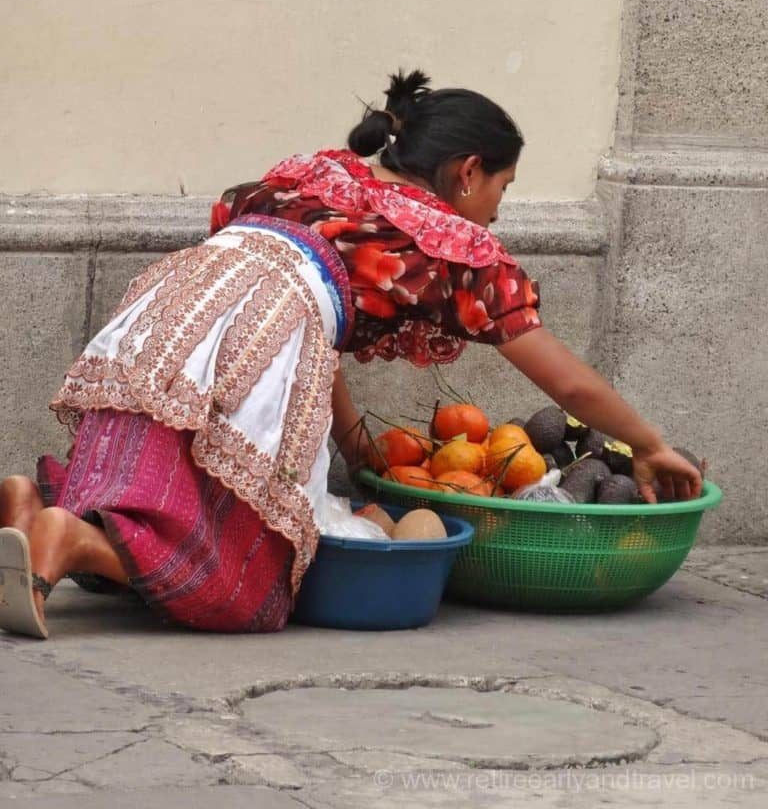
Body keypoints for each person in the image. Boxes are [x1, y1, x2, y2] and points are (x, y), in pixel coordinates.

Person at [0, 69, 702, 639]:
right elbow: (570, 388)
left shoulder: (321, 178)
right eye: (502, 189)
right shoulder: (448, 242)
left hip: (181, 302)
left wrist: (351, 442)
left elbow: (314, 328)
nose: (496, 212)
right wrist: (646, 443)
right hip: (265, 323)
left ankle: (35, 507)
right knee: (246, 585)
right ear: (467, 171)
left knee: (161, 478)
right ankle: (76, 542)